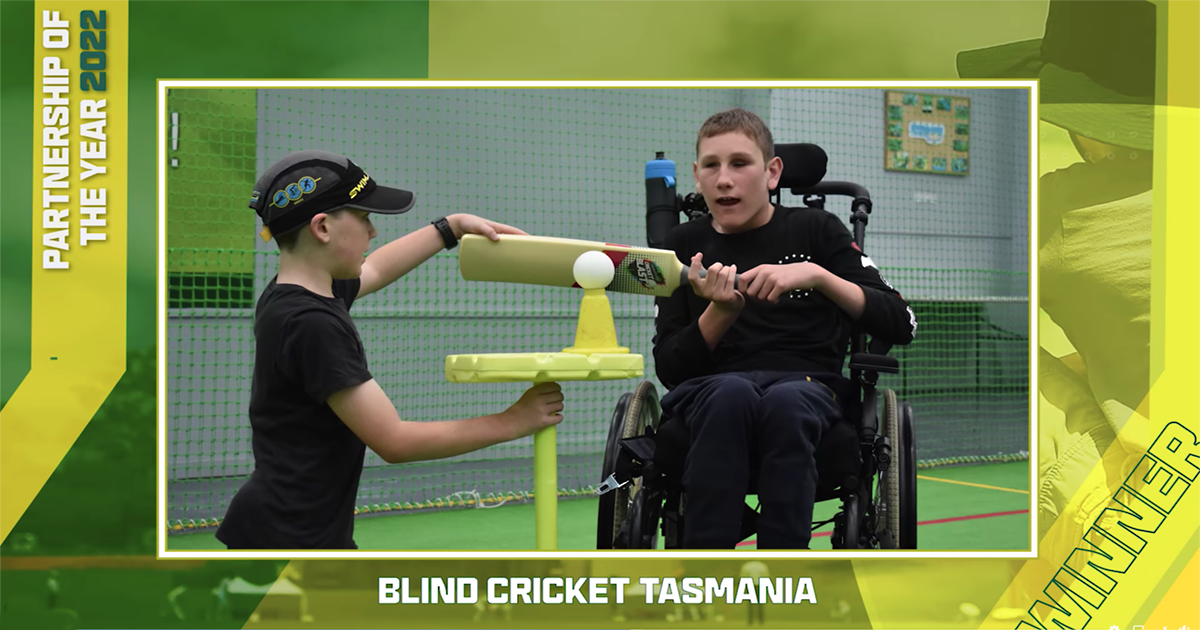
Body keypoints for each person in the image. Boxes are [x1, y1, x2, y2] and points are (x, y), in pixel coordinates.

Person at [216, 150, 565, 549]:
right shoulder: (311, 324)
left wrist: (450, 228)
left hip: (287, 528)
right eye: (364, 218)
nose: (373, 231)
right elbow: (394, 441)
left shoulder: (292, 295)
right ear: (323, 228)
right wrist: (514, 420)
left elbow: (375, 269)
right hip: (291, 541)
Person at [652, 108, 917, 549]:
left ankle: (784, 569)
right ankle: (704, 572)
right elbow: (671, 370)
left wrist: (819, 276)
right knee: (731, 393)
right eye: (712, 166)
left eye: (740, 163)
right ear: (696, 176)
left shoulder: (818, 231)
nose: (724, 179)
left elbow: (901, 321)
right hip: (711, 391)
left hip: (809, 386)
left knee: (787, 399)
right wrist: (720, 310)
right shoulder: (681, 248)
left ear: (772, 172)